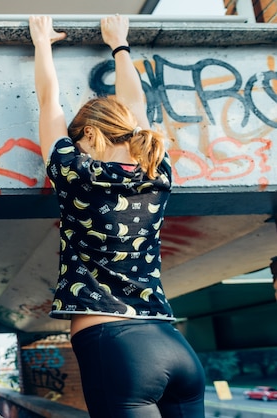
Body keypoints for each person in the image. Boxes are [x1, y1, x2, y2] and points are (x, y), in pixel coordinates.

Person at [29, 14, 205, 417]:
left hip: (116, 347)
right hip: (172, 341)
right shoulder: (156, 169)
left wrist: (42, 43)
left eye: (79, 140)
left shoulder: (77, 172)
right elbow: (137, 106)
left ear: (90, 135)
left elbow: (47, 102)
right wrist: (118, 44)